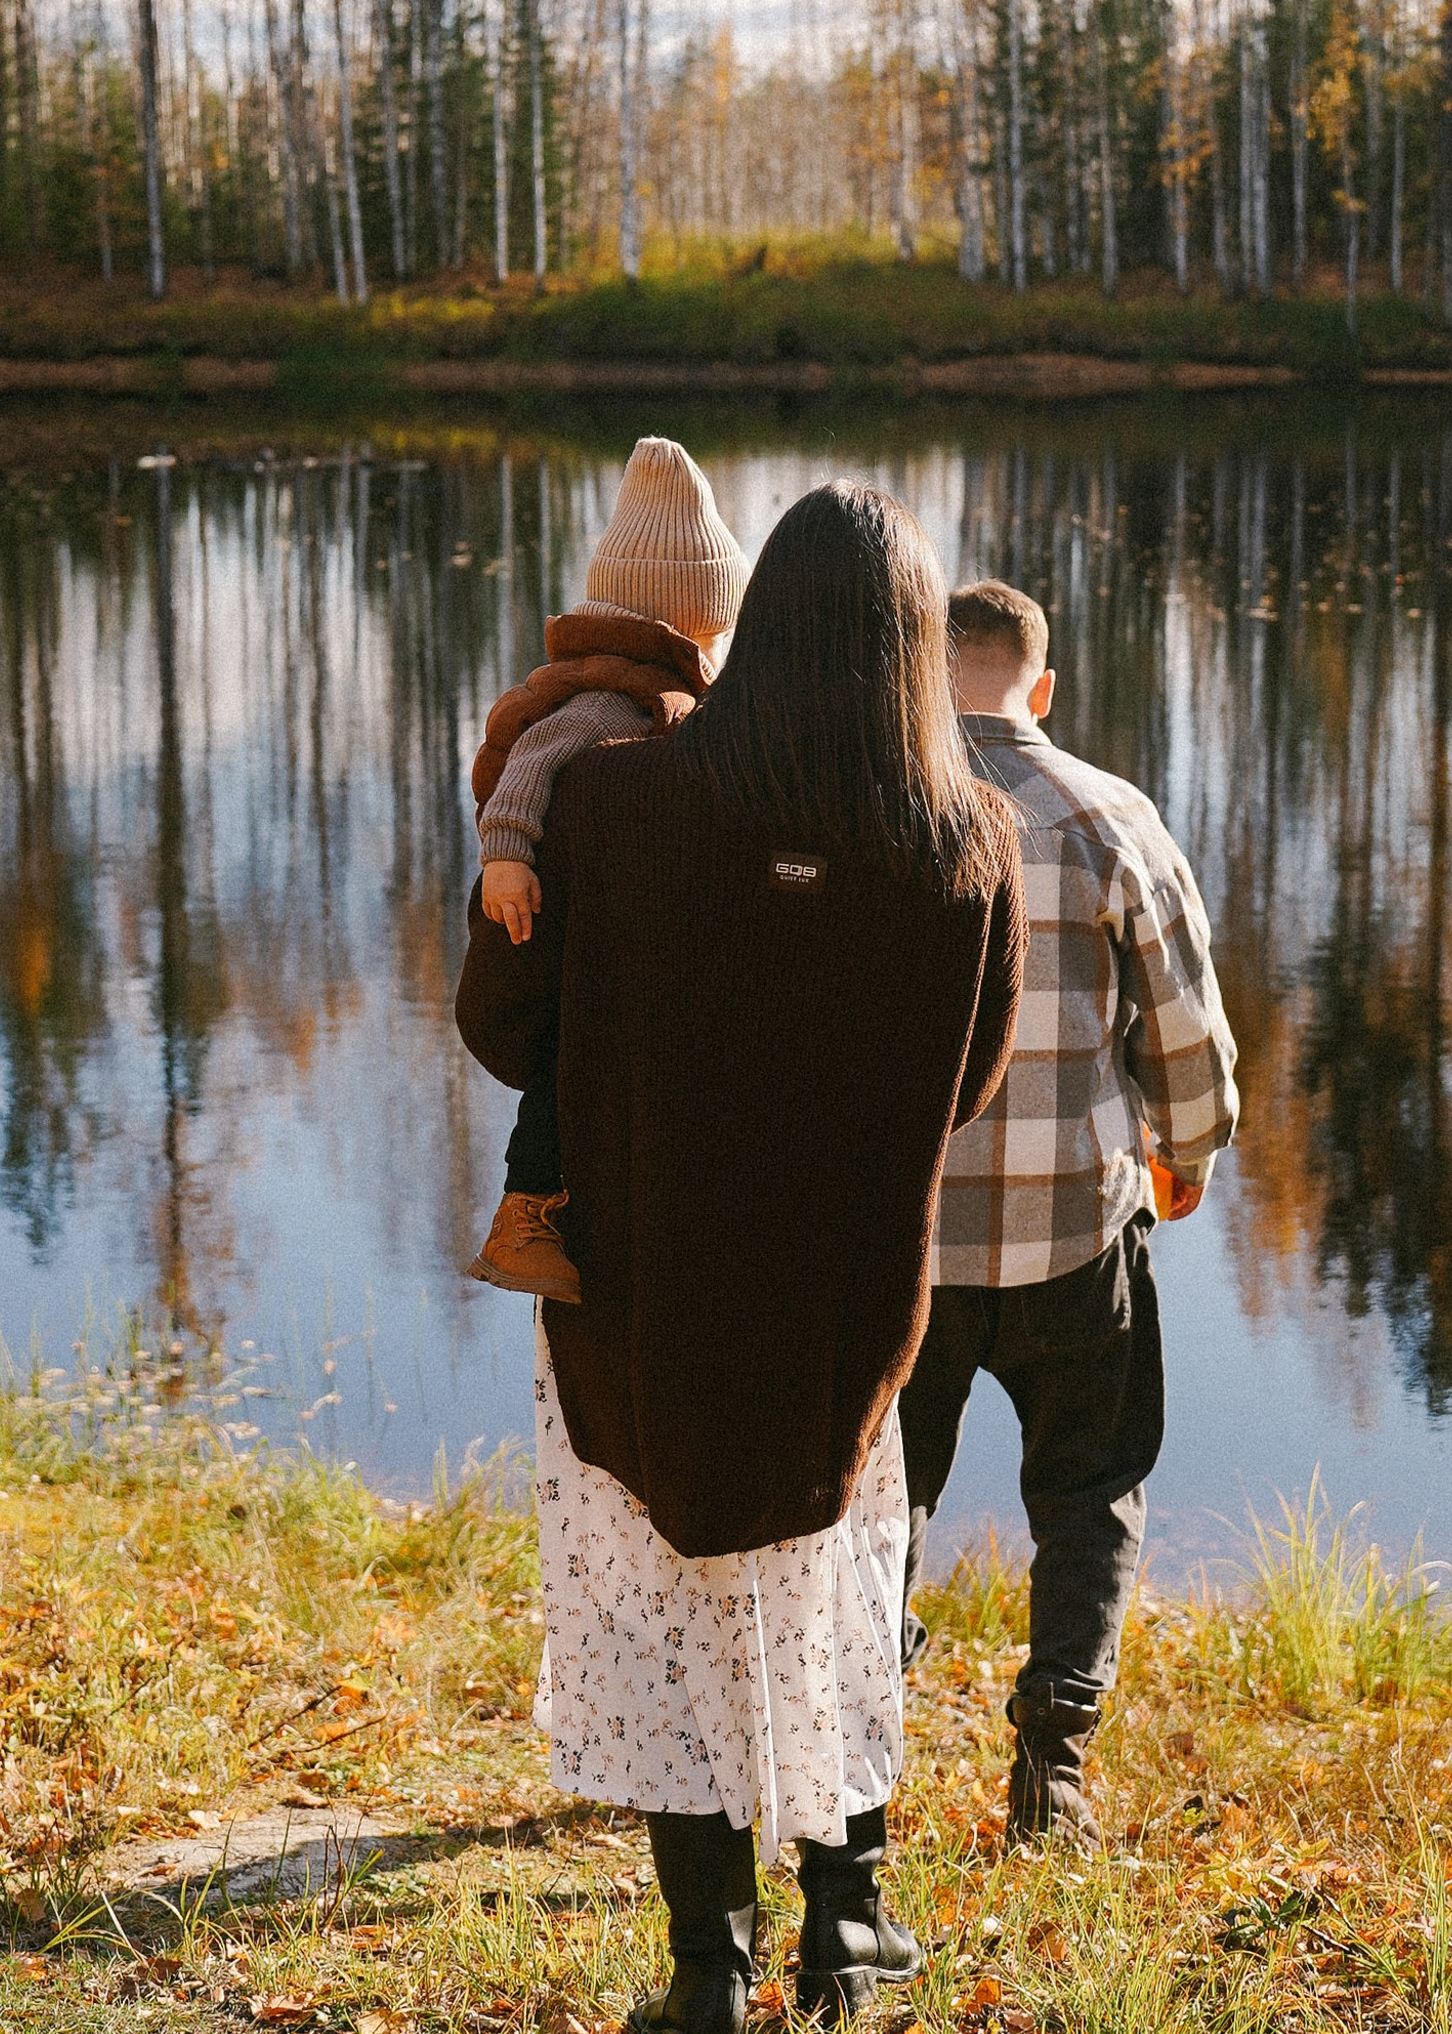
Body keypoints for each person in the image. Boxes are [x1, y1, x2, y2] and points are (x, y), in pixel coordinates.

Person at [456, 485, 1027, 2033]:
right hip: (843, 1308)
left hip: (642, 1298)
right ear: (916, 651)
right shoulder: (971, 844)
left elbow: (502, 1030)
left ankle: (706, 1969)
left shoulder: (615, 801)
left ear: (754, 621)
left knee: (661, 1606)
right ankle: (847, 1931)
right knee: (830, 1588)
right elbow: (967, 1080)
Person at [897, 578, 1240, 1844]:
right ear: (1040, 691)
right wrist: (1188, 1148)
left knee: (886, 1499)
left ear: (926, 682)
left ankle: (859, 1743)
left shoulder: (881, 811)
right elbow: (1187, 1028)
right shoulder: (1112, 815)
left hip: (907, 1248)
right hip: (1075, 1234)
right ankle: (1053, 1769)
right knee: (1089, 1489)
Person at [464, 436, 749, 1304]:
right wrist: (506, 857)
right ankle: (523, 1215)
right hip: (554, 911)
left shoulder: (650, 696)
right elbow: (528, 769)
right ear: (684, 614)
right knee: (564, 1054)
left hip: (601, 912)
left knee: (578, 1052)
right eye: (713, 618)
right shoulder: (600, 700)